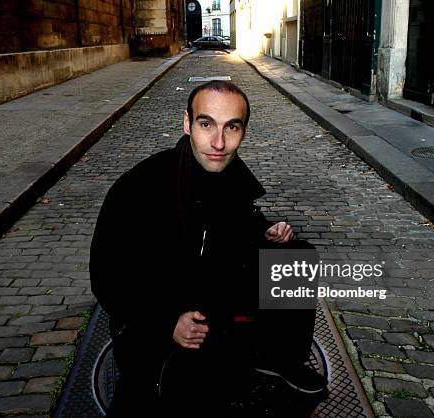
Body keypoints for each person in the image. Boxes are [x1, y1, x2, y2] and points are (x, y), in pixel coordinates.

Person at [89, 80, 326, 416]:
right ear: (187, 124)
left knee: (296, 258)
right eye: (206, 124)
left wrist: (265, 231)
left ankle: (280, 360)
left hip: (214, 300)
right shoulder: (140, 188)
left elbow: (226, 229)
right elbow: (106, 277)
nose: (218, 142)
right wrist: (167, 321)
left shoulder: (231, 178)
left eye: (232, 127)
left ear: (244, 132)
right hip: (153, 321)